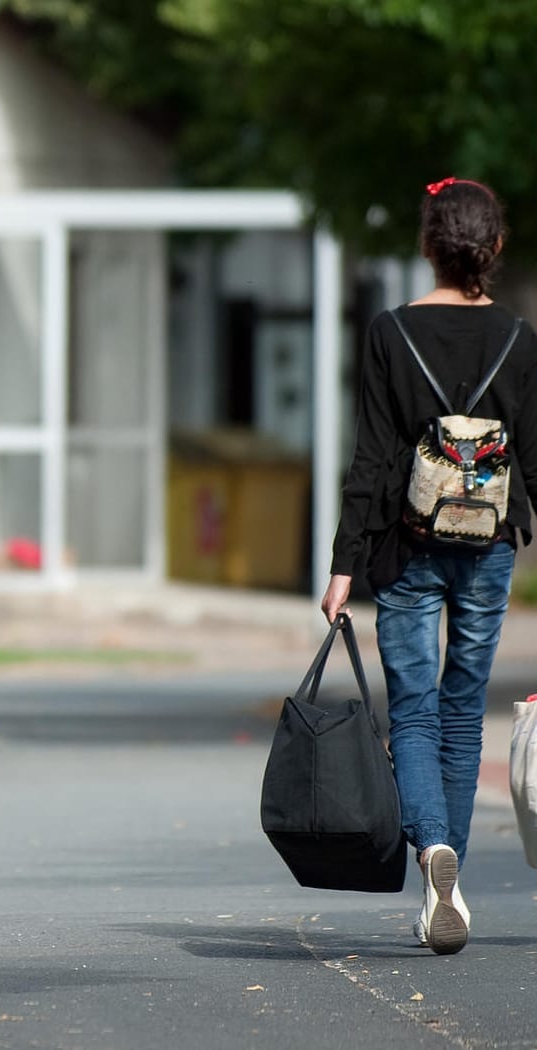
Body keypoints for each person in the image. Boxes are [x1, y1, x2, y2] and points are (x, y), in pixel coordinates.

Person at [321, 176, 537, 956]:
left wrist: (345, 565)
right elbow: (536, 461)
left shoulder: (389, 332)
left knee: (410, 710)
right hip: (486, 552)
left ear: (427, 246)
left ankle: (431, 854)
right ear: (494, 248)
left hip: (405, 547)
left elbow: (372, 460)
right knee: (461, 711)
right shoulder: (519, 338)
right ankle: (453, 884)